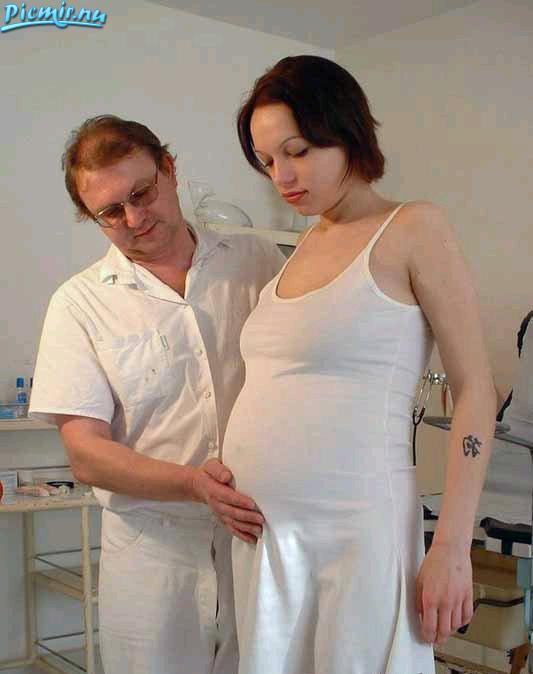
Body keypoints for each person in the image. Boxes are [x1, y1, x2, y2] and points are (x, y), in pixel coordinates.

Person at [221, 55, 497, 674]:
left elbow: (476, 388)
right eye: (267, 161)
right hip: (271, 540)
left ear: (344, 131)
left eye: (296, 151)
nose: (281, 176)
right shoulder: (302, 246)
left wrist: (453, 546)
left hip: (356, 534)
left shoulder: (412, 227)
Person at [28, 115, 285, 674]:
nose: (134, 219)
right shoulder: (79, 305)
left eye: (142, 193)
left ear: (169, 168)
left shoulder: (257, 262)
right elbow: (86, 453)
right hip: (153, 557)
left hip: (259, 537)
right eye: (110, 212)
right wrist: (192, 484)